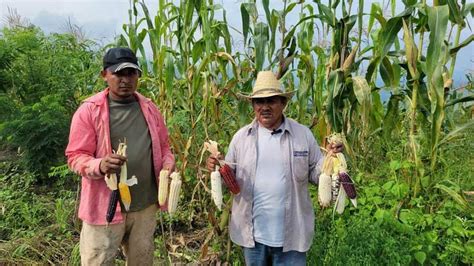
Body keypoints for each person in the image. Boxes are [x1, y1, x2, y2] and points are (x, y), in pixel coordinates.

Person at [206, 71, 342, 265]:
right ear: (253, 105)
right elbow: (230, 179)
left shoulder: (302, 135)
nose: (265, 107)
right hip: (253, 238)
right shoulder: (241, 138)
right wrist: (217, 167)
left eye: (271, 101)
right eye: (259, 102)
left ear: (283, 103)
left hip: (293, 237)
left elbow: (316, 173)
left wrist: (331, 159)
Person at [66, 47, 175, 265]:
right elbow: (75, 156)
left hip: (145, 206)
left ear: (138, 76)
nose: (125, 79)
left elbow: (164, 147)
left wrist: (168, 165)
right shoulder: (89, 110)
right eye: (118, 73)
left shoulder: (150, 108)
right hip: (104, 209)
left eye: (131, 73)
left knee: (142, 260)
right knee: (98, 261)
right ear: (104, 75)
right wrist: (100, 165)